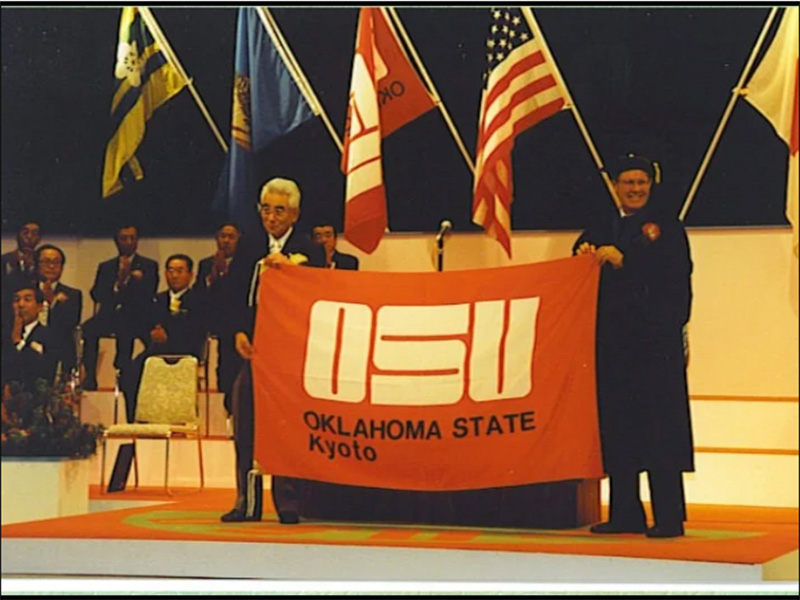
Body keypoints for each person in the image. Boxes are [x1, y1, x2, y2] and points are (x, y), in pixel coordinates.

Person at [574, 154, 694, 538]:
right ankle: (625, 513)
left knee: (661, 432)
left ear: (650, 185)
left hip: (656, 346)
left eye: (641, 182)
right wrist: (584, 255)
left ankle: (669, 518)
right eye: (628, 182)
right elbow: (578, 261)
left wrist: (625, 261)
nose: (636, 189)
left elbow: (674, 277)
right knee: (620, 430)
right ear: (615, 186)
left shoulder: (667, 226)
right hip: (615, 348)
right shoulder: (602, 225)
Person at [221, 177, 325, 524]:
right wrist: (238, 331)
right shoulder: (249, 245)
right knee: (245, 423)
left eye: (279, 210)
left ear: (294, 214)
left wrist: (292, 269)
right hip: (252, 349)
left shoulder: (309, 248)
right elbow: (233, 295)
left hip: (289, 352)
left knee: (286, 427)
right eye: (265, 209)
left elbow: (319, 293)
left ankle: (288, 502)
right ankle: (246, 502)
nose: (271, 217)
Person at [120, 254, 205, 423]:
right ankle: (137, 420)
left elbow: (198, 330)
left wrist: (169, 335)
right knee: (130, 372)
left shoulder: (199, 300)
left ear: (190, 275)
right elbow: (144, 325)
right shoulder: (156, 300)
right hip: (156, 352)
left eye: (180, 271)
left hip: (185, 352)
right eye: (171, 271)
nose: (175, 275)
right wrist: (152, 335)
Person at [81, 225, 158, 391]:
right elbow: (96, 294)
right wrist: (118, 284)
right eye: (124, 238)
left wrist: (132, 282)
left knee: (132, 330)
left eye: (132, 238)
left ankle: (127, 373)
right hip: (110, 315)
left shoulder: (149, 265)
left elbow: (150, 293)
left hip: (137, 316)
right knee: (88, 329)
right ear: (116, 241)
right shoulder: (106, 267)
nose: (129, 242)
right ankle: (90, 376)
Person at [194, 222, 243, 416]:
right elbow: (199, 296)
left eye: (231, 237)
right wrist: (211, 279)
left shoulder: (245, 264)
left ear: (238, 239)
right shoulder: (206, 264)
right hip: (213, 321)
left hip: (235, 325)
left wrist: (223, 275)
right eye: (223, 236)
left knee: (232, 371)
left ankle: (233, 412)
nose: (226, 241)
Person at [35, 244, 83, 377]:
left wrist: (53, 303)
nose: (51, 266)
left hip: (60, 350)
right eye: (46, 262)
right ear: (36, 265)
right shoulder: (26, 292)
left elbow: (71, 323)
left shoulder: (73, 294)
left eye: (56, 262)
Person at [2, 283, 57, 390]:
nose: (21, 304)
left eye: (27, 300)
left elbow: (43, 370)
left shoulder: (49, 336)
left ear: (40, 307)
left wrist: (18, 342)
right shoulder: (5, 333)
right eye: (16, 300)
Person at [1, 221, 41, 332]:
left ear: (39, 239)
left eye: (34, 233)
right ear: (17, 236)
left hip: (35, 322)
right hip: (6, 320)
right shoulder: (4, 261)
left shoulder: (42, 262)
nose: (29, 237)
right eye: (25, 232)